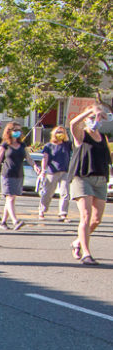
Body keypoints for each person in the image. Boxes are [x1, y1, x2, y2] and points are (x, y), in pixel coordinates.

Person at [67, 103, 111, 265]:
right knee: (85, 216)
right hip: (82, 178)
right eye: (92, 118)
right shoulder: (81, 135)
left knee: (96, 219)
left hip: (100, 179)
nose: (95, 120)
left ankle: (77, 242)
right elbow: (72, 124)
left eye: (98, 117)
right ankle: (86, 253)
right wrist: (89, 112)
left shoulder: (103, 137)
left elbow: (106, 159)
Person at [0, 121, 28, 230]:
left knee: (11, 199)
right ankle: (15, 221)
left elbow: (28, 157)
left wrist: (35, 166)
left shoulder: (22, 145)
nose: (17, 132)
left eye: (19, 130)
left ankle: (3, 222)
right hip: (7, 174)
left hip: (19, 174)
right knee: (10, 198)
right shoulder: (4, 145)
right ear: (9, 131)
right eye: (15, 130)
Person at [35, 126, 72, 221]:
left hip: (65, 171)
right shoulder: (49, 146)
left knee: (65, 193)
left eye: (62, 132)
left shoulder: (67, 144)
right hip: (52, 172)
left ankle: (63, 213)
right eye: (58, 132)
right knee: (48, 193)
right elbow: (45, 158)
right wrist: (43, 170)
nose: (60, 134)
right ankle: (42, 211)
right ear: (54, 133)